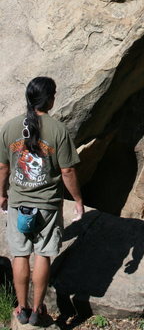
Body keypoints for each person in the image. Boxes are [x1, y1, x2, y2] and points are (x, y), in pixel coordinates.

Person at [0, 77, 84, 325]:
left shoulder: (10, 127)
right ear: (49, 99)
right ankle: (38, 310)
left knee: (20, 255)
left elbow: (3, 167)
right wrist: (78, 199)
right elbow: (68, 171)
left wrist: (2, 193)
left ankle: (21, 308)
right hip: (47, 205)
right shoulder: (58, 130)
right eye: (54, 94)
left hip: (19, 204)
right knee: (43, 255)